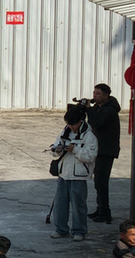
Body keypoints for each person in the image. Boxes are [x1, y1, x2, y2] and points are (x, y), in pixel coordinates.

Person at [51, 104, 97, 242]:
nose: (71, 127)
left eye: (73, 124)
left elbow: (90, 156)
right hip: (63, 174)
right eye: (69, 124)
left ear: (80, 121)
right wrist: (57, 150)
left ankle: (79, 231)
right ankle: (61, 229)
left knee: (78, 206)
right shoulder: (65, 131)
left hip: (79, 176)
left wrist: (75, 150)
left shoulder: (89, 136)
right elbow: (55, 148)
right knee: (60, 205)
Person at [88, 84, 124, 223]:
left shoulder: (110, 110)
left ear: (106, 95)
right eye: (94, 93)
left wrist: (89, 110)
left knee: (102, 181)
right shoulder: (99, 108)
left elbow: (97, 123)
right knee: (98, 181)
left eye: (98, 94)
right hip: (99, 149)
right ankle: (100, 208)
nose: (95, 96)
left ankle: (105, 212)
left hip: (106, 150)